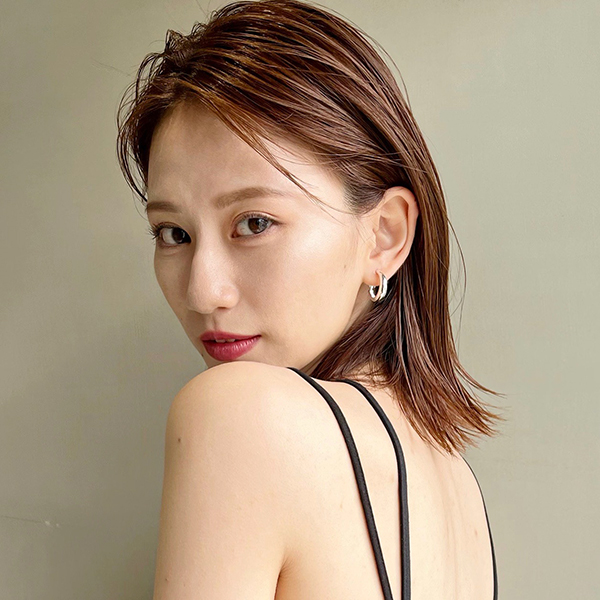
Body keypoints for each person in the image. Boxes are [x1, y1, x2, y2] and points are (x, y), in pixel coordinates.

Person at [116, 1, 505, 598]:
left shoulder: (237, 413)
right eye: (173, 234)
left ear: (384, 236)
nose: (202, 291)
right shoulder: (457, 482)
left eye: (254, 223)